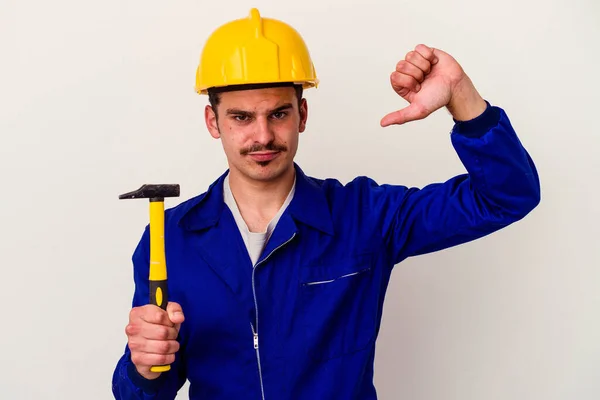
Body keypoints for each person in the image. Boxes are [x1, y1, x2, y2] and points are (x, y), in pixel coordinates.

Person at [111, 8, 540, 400]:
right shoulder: (171, 240)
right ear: (213, 122)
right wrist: (145, 368)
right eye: (241, 117)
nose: (262, 136)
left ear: (302, 114)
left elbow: (506, 196)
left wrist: (461, 95)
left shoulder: (365, 216)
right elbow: (146, 390)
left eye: (277, 114)